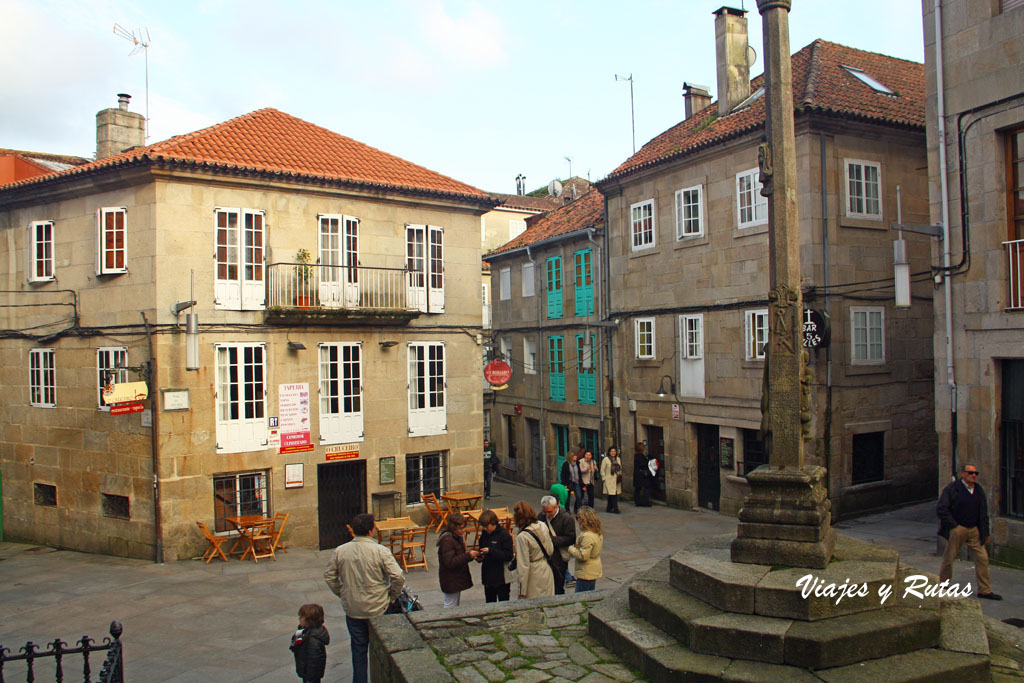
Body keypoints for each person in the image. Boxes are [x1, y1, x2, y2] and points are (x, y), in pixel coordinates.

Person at [324, 513, 405, 683]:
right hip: (379, 607)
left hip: (354, 609)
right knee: (384, 649)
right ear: (370, 531)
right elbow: (398, 576)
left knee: (359, 651)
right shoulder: (380, 551)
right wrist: (392, 596)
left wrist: (343, 593)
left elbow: (330, 576)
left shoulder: (341, 551)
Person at [937, 463, 1002, 600]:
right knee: (949, 557)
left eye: (975, 473)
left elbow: (983, 512)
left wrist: (985, 532)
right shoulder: (952, 489)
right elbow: (942, 508)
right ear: (963, 474)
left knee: (982, 558)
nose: (973, 476)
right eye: (970, 473)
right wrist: (954, 525)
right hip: (958, 528)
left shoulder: (978, 490)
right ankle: (943, 584)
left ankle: (984, 590)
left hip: (974, 529)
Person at [512, 500, 555, 599]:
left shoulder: (522, 537)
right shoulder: (542, 525)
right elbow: (550, 549)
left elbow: (523, 565)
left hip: (533, 574)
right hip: (546, 568)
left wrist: (522, 592)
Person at [437, 512, 479, 608]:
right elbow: (450, 562)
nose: (463, 531)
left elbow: (459, 556)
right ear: (453, 527)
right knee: (450, 605)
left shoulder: (455, 537)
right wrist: (468, 556)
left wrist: (470, 556)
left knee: (453, 604)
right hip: (451, 579)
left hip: (454, 578)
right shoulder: (448, 540)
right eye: (460, 528)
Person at [475, 509, 514, 602]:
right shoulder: (484, 535)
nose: (484, 528)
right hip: (488, 577)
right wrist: (480, 557)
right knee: (489, 602)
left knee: (503, 603)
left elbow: (509, 556)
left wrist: (491, 551)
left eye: (486, 526)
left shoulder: (504, 535)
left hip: (501, 577)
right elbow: (482, 549)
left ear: (492, 523)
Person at [541, 494, 576, 594]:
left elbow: (571, 539)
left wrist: (552, 540)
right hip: (545, 560)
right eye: (545, 512)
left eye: (550, 512)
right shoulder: (541, 517)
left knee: (558, 588)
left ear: (556, 506)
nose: (547, 515)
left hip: (559, 560)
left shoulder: (567, 519)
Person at [567, 506, 603, 592]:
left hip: (586, 571)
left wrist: (570, 549)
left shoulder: (587, 536)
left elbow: (583, 556)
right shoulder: (596, 531)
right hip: (592, 569)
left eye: (578, 518)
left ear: (583, 519)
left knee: (581, 596)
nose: (577, 520)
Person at [290, 603, 329, 683]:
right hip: (306, 671)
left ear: (309, 620)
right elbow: (295, 642)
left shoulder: (312, 640)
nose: (299, 619)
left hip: (310, 675)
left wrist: (310, 679)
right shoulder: (305, 631)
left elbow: (313, 661)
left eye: (301, 617)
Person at [600, 446, 623, 513]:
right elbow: (602, 469)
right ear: (609, 452)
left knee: (611, 494)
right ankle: (615, 508)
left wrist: (619, 475)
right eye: (612, 451)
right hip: (609, 479)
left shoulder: (618, 459)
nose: (613, 453)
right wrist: (604, 478)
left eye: (614, 451)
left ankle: (609, 508)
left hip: (616, 479)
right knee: (613, 494)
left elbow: (620, 468)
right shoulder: (606, 459)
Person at [633, 442, 652, 507]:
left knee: (638, 488)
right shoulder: (640, 456)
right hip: (641, 475)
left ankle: (637, 501)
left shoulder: (636, 456)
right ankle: (646, 502)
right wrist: (648, 460)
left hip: (638, 474)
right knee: (647, 487)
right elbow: (643, 464)